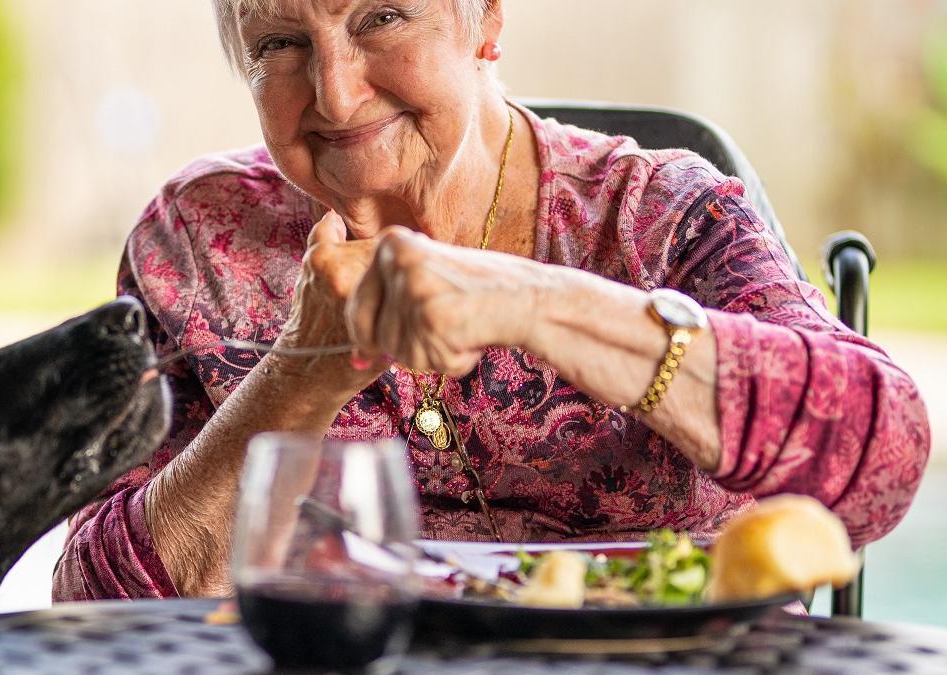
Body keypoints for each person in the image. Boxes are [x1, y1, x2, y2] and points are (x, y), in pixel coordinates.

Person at [52, 0, 930, 600]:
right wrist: (299, 376)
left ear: (488, 19)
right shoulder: (201, 237)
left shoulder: (658, 216)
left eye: (382, 16)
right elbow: (96, 602)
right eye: (278, 43)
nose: (335, 91)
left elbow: (882, 452)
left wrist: (535, 301)